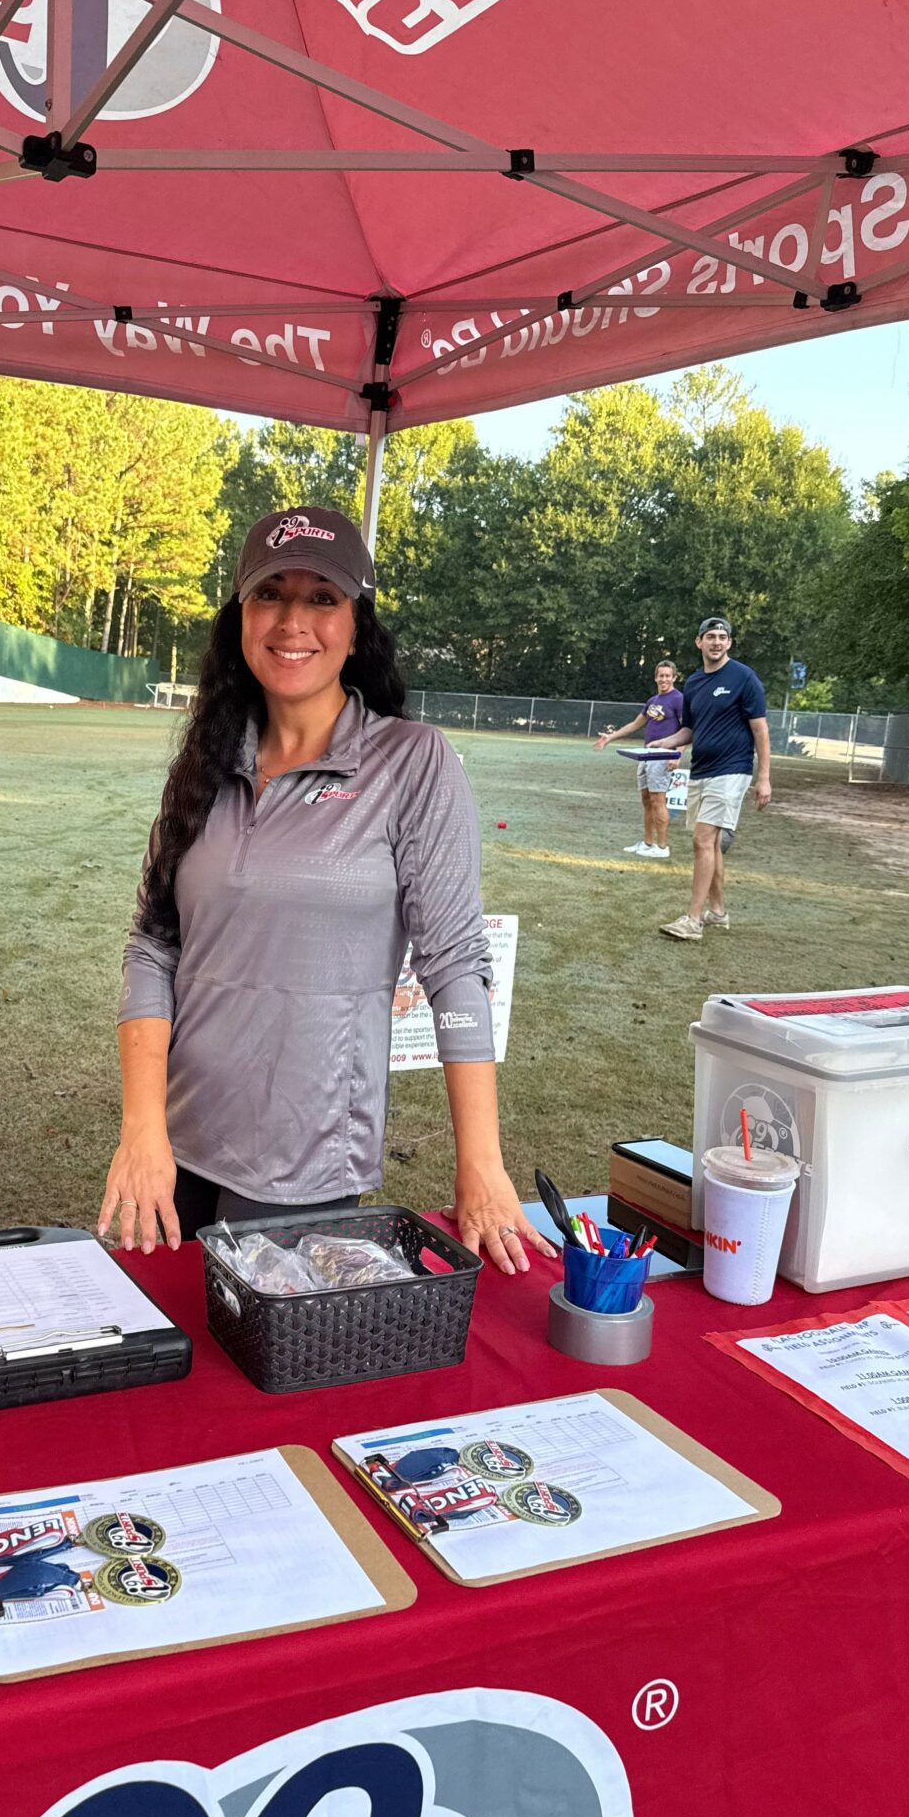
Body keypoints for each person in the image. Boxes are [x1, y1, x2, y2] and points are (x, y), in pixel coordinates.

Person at [98, 505, 554, 1278]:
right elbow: (154, 944)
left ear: (356, 622)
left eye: (322, 598)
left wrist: (481, 1162)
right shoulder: (206, 761)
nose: (292, 621)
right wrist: (142, 1129)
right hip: (173, 1156)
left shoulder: (413, 762)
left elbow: (453, 966)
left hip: (301, 1167)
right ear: (239, 614)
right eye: (271, 592)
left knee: (266, 1386)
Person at [649, 616, 771, 940]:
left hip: (732, 770)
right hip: (702, 769)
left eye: (722, 637)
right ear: (699, 642)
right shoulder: (694, 684)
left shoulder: (744, 678)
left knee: (702, 840)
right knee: (713, 843)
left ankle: (693, 920)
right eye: (711, 636)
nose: (716, 642)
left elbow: (760, 729)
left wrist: (764, 778)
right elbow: (690, 729)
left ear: (729, 643)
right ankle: (717, 913)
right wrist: (664, 742)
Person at [593, 660, 684, 857]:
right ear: (655, 677)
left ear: (674, 678)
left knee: (658, 800)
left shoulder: (678, 700)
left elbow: (688, 730)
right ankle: (647, 843)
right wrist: (610, 737)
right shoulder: (653, 701)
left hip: (663, 755)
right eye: (661, 675)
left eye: (668, 676)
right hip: (646, 755)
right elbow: (635, 725)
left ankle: (662, 847)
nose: (664, 679)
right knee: (647, 800)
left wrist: (677, 754)